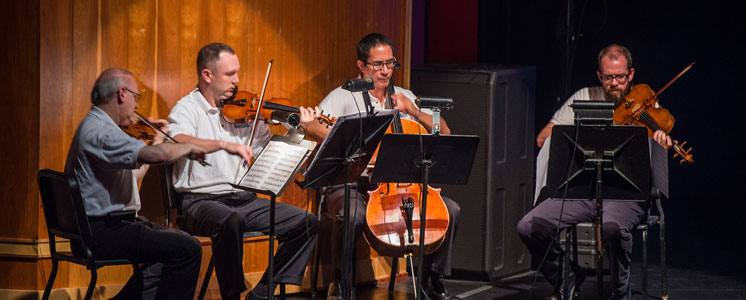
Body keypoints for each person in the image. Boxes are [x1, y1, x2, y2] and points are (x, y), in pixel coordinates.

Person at [300, 33, 461, 300]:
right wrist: (352, 146)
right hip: (352, 183)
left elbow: (442, 130)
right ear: (361, 66)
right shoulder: (344, 95)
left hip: (401, 184)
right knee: (351, 214)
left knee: (451, 210)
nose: (385, 71)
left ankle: (431, 278)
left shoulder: (404, 95)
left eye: (390, 63)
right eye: (378, 64)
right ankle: (341, 281)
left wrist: (412, 110)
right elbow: (312, 125)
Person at [517, 44, 672, 300]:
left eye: (620, 77)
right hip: (583, 190)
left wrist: (659, 143)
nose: (615, 83)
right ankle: (566, 276)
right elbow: (543, 138)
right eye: (608, 77)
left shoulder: (647, 104)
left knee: (612, 228)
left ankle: (619, 293)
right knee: (528, 226)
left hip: (626, 193)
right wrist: (584, 131)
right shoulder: (585, 98)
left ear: (631, 75)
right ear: (599, 76)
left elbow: (657, 155)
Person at [167, 42, 320, 300]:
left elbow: (268, 152)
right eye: (229, 74)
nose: (237, 81)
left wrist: (299, 131)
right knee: (230, 221)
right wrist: (223, 144)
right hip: (199, 202)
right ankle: (232, 295)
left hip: (244, 200)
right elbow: (177, 140)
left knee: (306, 223)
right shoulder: (187, 108)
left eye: (237, 73)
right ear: (207, 75)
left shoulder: (249, 113)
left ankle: (261, 293)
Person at [64, 68, 207, 300]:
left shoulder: (97, 125)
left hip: (103, 228)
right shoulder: (102, 132)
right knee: (187, 249)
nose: (137, 106)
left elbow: (134, 175)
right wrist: (187, 147)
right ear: (122, 93)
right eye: (136, 97)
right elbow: (157, 156)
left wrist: (158, 138)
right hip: (104, 232)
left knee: (181, 245)